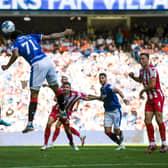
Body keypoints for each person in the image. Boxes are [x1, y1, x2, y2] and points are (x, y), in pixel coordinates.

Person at [1, 28, 73, 133]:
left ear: (12, 39)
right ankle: (63, 111)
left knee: (34, 94)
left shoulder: (16, 43)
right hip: (47, 60)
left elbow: (15, 55)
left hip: (37, 64)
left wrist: (7, 66)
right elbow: (51, 36)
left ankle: (30, 123)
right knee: (56, 89)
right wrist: (64, 33)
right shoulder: (31, 36)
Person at [41, 81, 100, 151]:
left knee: (67, 130)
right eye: (64, 87)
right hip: (56, 110)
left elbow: (87, 97)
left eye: (67, 87)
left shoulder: (76, 94)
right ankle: (45, 144)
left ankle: (72, 143)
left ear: (70, 88)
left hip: (65, 113)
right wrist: (47, 85)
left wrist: (97, 98)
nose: (65, 89)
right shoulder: (60, 92)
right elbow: (54, 88)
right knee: (49, 123)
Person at [129, 53, 167, 153]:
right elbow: (140, 80)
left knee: (159, 119)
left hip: (157, 97)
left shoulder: (152, 69)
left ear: (148, 59)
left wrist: (142, 91)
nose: (141, 61)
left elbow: (152, 85)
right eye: (140, 59)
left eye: (143, 59)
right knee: (147, 120)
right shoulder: (142, 70)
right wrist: (133, 77)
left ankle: (164, 143)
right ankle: (152, 144)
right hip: (150, 98)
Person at [43, 76, 86, 149]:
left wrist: (76, 107)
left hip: (66, 112)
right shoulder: (61, 90)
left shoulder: (72, 92)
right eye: (62, 80)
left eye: (65, 80)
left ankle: (73, 141)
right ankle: (48, 143)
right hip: (57, 110)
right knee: (52, 124)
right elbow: (54, 95)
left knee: (65, 128)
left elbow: (78, 98)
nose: (63, 81)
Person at [98, 73, 129, 150]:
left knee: (116, 131)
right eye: (100, 78)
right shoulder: (101, 89)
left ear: (106, 79)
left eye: (102, 78)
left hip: (115, 111)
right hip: (107, 112)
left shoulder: (109, 87)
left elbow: (118, 90)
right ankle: (120, 143)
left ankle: (121, 135)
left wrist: (124, 99)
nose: (101, 79)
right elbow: (103, 98)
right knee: (107, 131)